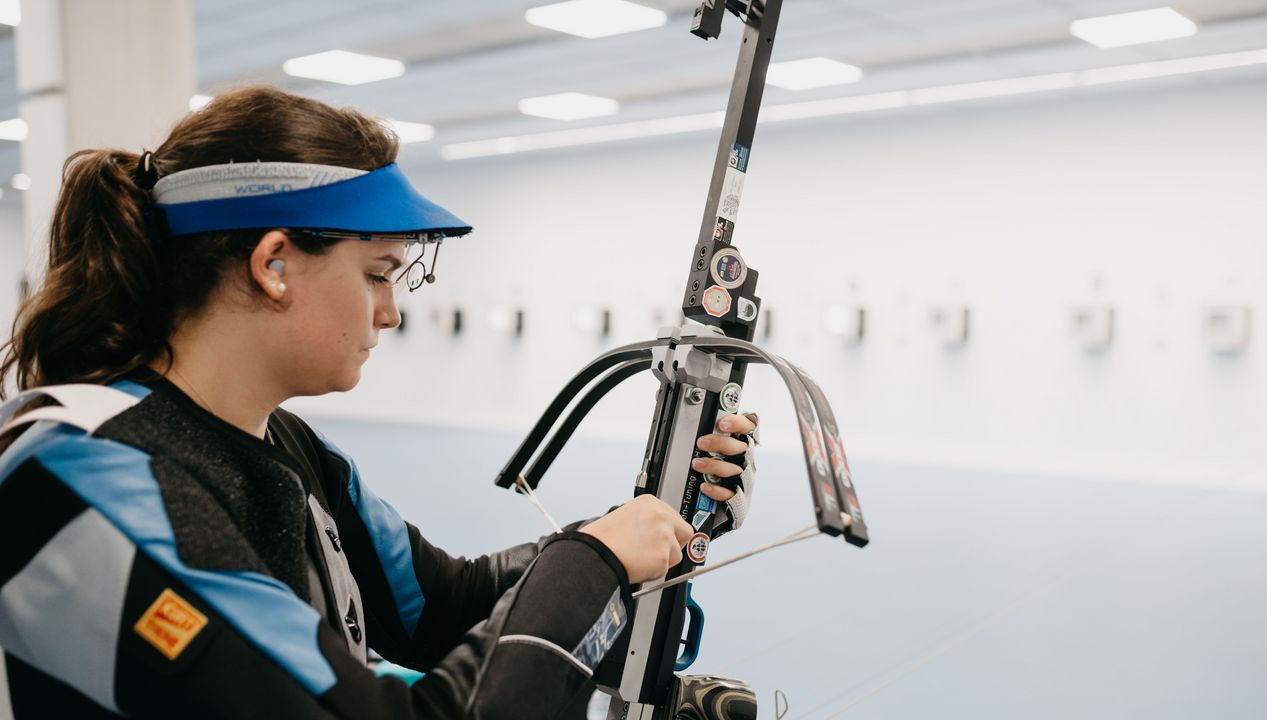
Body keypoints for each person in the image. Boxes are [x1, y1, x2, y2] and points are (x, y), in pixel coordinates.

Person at [0, 86, 759, 719]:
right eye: (376, 273)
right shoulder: (78, 470)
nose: (391, 312)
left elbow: (442, 607)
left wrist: (652, 521)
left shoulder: (287, 447)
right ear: (274, 264)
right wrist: (591, 562)